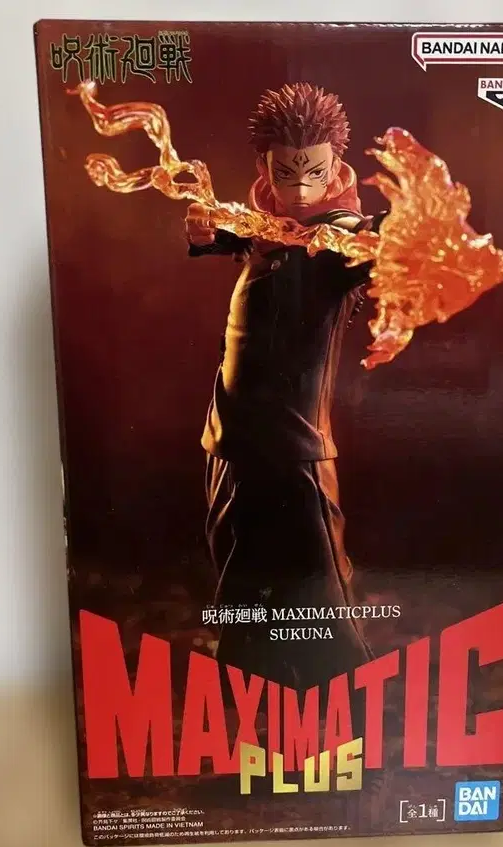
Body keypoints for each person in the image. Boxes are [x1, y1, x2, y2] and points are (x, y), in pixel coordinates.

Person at [187, 83, 387, 704]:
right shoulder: (265, 229)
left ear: (334, 166)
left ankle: (352, 719)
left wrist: (395, 233)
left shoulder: (338, 240)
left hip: (295, 448)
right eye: (285, 172)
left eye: (314, 172)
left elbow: (371, 246)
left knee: (320, 595)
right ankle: (247, 708)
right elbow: (229, 229)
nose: (300, 187)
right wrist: (206, 228)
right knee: (241, 590)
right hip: (231, 437)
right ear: (264, 167)